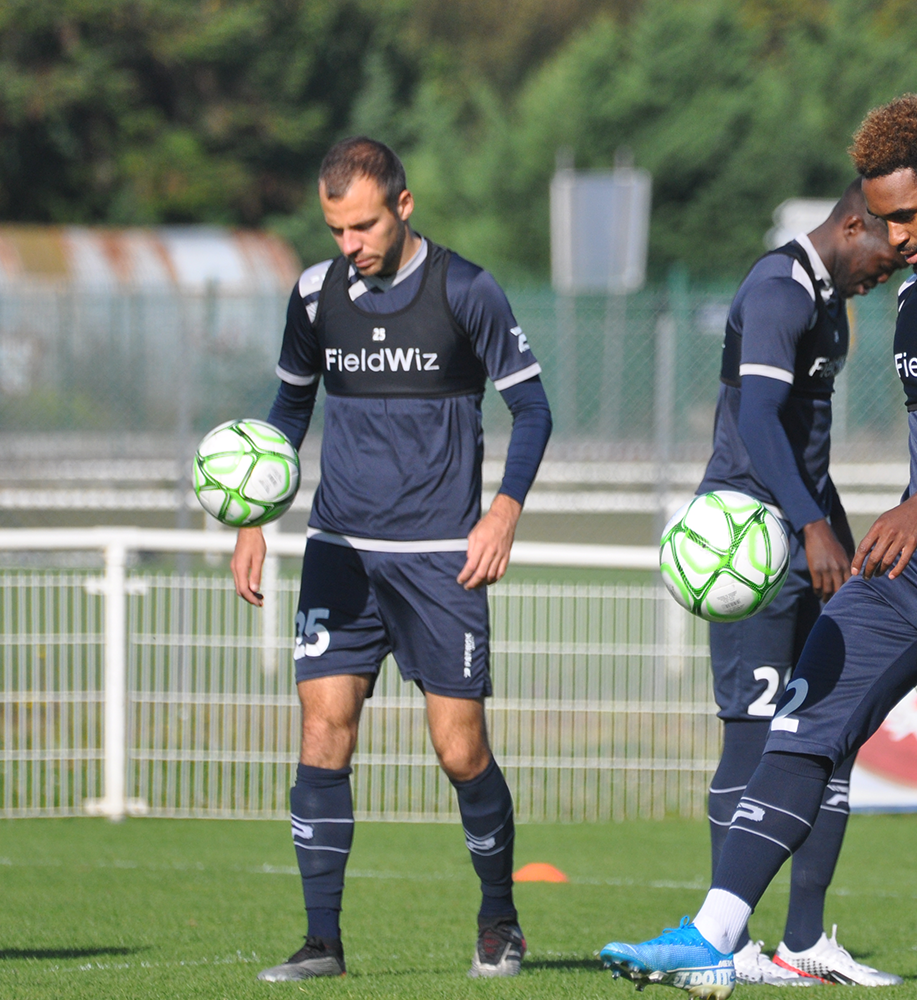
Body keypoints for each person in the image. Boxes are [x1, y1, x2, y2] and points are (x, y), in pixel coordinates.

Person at [601, 93, 917, 1000]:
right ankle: (713, 930)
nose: (890, 238)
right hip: (912, 575)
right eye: (879, 220)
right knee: (803, 727)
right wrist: (906, 523)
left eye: (905, 217)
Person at [229, 136, 552, 982]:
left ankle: (499, 919)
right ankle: (322, 942)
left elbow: (534, 410)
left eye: (363, 226)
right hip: (340, 551)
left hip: (442, 559)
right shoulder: (314, 294)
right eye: (336, 230)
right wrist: (253, 516)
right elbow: (288, 406)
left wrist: (503, 513)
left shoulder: (466, 290)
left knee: (459, 751)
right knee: (323, 729)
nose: (350, 246)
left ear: (403, 207)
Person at [695, 180, 905, 987]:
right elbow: (755, 423)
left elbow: (808, 447)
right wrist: (811, 526)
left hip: (811, 530)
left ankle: (805, 938)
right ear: (854, 224)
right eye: (886, 254)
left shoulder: (828, 302)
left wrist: (838, 540)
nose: (890, 270)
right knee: (751, 735)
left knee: (828, 734)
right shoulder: (778, 287)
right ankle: (726, 942)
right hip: (746, 543)